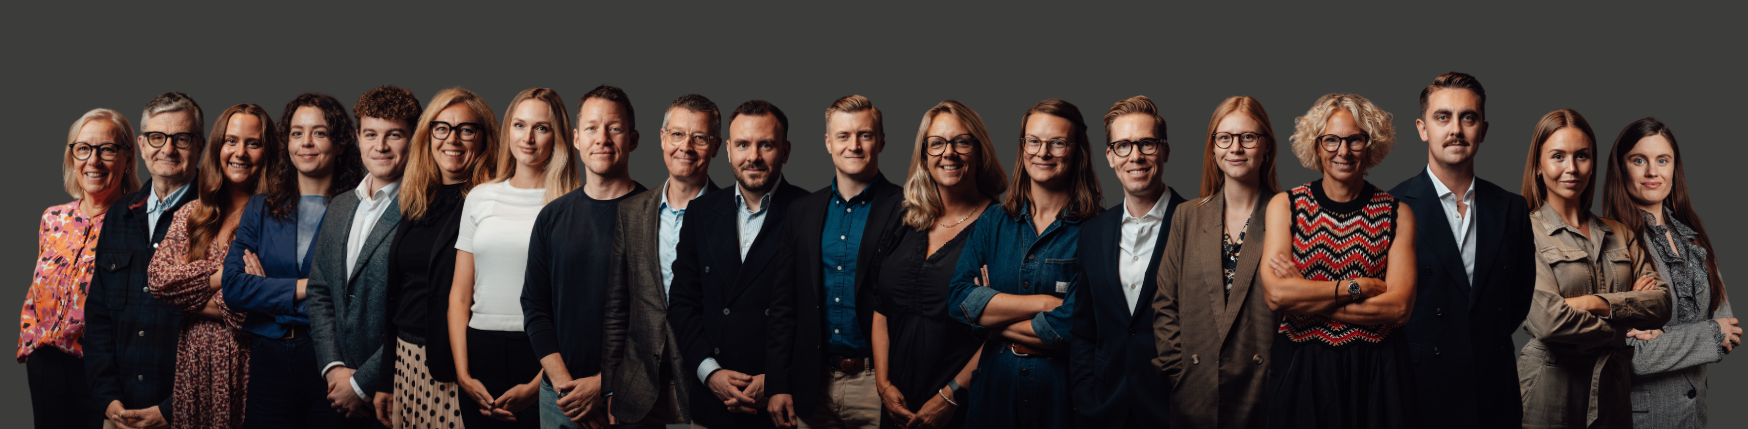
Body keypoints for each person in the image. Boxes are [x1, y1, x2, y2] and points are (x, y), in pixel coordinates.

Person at [1258, 93, 1418, 429]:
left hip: (1377, 371)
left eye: (1355, 140)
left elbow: (1399, 308)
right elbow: (1276, 295)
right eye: (1331, 140)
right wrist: (1355, 287)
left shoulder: (1397, 213)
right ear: (1316, 147)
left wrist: (1305, 296)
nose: (1343, 151)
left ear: (1370, 147)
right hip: (1303, 369)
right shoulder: (1286, 206)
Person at [1385, 72, 1535, 429]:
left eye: (1468, 117)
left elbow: (1518, 297)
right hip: (1419, 389)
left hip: (1493, 390)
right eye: (1443, 117)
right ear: (1422, 128)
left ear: (1483, 129)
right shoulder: (1391, 206)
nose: (1456, 129)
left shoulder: (1511, 208)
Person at [945, 98, 1102, 429]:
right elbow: (958, 301)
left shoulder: (1098, 229)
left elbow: (1073, 329)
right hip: (994, 399)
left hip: (1061, 403)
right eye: (1034, 141)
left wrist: (989, 319)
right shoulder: (993, 222)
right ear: (1022, 146)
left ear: (1077, 151)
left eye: (1057, 143)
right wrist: (1045, 303)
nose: (1042, 153)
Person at [1516, 109, 1672, 428]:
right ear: (1538, 166)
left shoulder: (1620, 232)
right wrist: (1622, 326)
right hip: (1550, 391)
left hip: (1613, 392)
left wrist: (1593, 303)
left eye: (1582, 156)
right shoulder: (1522, 233)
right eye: (1558, 156)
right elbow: (1548, 321)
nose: (1571, 168)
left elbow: (1662, 303)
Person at [223, 92, 364, 428]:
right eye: (297, 133)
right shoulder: (260, 208)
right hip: (268, 359)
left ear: (340, 144)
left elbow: (354, 300)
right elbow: (233, 288)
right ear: (287, 143)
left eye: (320, 133)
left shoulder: (360, 210)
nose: (306, 143)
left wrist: (267, 291)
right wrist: (312, 287)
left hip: (333, 360)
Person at [517, 85, 653, 429]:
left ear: (633, 139)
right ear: (577, 139)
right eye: (592, 128)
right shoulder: (552, 217)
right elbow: (534, 305)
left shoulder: (657, 217)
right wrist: (565, 387)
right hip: (558, 398)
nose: (602, 138)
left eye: (614, 128)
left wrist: (605, 383)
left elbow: (664, 320)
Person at [766, 95, 904, 429]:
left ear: (881, 141)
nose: (853, 146)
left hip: (879, 384)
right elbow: (784, 304)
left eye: (865, 135)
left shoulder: (908, 208)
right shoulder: (802, 211)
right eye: (843, 136)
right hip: (812, 385)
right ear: (828, 143)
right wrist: (778, 383)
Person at [667, 100, 807, 429]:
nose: (753, 156)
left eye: (766, 145)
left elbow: (815, 314)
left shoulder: (809, 211)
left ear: (785, 151)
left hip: (780, 403)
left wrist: (776, 379)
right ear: (728, 150)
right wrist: (709, 372)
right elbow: (682, 304)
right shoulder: (700, 213)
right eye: (743, 145)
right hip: (712, 400)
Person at [867, 100, 1005, 429]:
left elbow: (1000, 332)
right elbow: (881, 306)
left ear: (979, 150)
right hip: (897, 407)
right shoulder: (905, 217)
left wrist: (950, 396)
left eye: (962, 141)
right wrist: (884, 385)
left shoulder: (1000, 226)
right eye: (937, 143)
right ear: (924, 154)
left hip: (962, 408)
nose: (949, 153)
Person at [1152, 95, 1281, 429]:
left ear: (1266, 146)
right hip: (1196, 393)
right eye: (1224, 137)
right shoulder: (1187, 216)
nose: (1235, 148)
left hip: (1265, 393)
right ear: (1212, 147)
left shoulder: (1289, 214)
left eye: (1248, 137)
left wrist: (1280, 376)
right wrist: (1179, 371)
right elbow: (1165, 303)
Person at [1604, 117, 1739, 428]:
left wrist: (1664, 335)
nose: (1653, 171)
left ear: (1674, 168)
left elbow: (1729, 330)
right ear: (1621, 168)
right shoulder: (1611, 244)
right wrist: (1708, 333)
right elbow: (1635, 355)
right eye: (1639, 160)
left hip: (1695, 418)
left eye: (1662, 160)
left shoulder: (1693, 238)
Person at [148, 103, 276, 428]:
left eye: (253, 143)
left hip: (251, 367)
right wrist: (226, 278)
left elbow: (256, 312)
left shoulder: (278, 219)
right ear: (218, 146)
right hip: (193, 369)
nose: (240, 152)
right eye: (231, 141)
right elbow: (159, 281)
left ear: (268, 152)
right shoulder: (191, 214)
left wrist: (186, 292)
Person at [601, 94, 724, 427]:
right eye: (677, 134)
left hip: (705, 384)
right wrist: (610, 386)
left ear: (716, 146)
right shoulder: (631, 211)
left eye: (700, 138)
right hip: (638, 383)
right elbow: (617, 307)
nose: (686, 146)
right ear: (662, 138)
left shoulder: (730, 214)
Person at [83, 93, 204, 429]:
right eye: (157, 137)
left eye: (182, 138)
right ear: (141, 144)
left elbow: (226, 333)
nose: (168, 149)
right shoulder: (119, 214)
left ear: (200, 145)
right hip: (120, 414)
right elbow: (98, 318)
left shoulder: (216, 216)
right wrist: (108, 399)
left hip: (188, 416)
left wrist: (172, 409)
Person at [444, 85, 559, 429]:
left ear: (558, 136)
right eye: (519, 125)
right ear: (508, 129)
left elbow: (575, 309)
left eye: (541, 127)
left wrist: (540, 385)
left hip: (543, 353)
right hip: (479, 350)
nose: (528, 138)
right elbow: (459, 295)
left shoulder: (569, 203)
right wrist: (463, 374)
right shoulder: (480, 197)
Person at [20, 108, 141, 429]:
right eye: (83, 149)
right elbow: (36, 293)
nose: (93, 161)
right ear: (71, 156)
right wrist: (31, 346)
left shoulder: (138, 224)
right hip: (47, 366)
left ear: (128, 157)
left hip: (104, 373)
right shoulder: (53, 218)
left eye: (107, 149)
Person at [375, 87, 488, 429]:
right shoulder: (418, 198)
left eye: (466, 129)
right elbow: (400, 293)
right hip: (406, 360)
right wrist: (386, 377)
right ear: (428, 135)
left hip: (458, 363)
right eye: (442, 128)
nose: (452, 139)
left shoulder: (488, 202)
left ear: (484, 138)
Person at [1066, 95, 1181, 428]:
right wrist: (1085, 396)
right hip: (1104, 408)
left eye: (1147, 143)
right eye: (1123, 146)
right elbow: (1083, 330)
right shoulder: (1092, 233)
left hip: (1175, 409)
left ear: (1165, 151)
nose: (1136, 156)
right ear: (1110, 157)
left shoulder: (1197, 223)